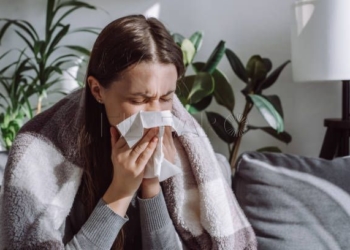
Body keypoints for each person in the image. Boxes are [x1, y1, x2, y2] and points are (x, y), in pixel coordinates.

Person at [0, 15, 257, 249]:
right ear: (98, 90)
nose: (155, 114)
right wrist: (121, 190)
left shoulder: (179, 144)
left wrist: (151, 183)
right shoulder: (48, 152)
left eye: (166, 98)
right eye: (139, 100)